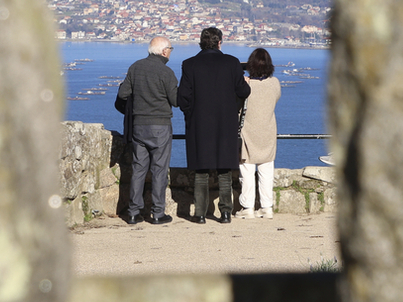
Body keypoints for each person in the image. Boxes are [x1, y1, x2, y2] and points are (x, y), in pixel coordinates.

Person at [177, 27, 249, 224]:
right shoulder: (232, 63)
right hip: (226, 123)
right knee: (225, 169)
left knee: (201, 169)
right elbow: (244, 91)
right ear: (219, 43)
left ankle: (200, 213)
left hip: (199, 124)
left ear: (201, 42)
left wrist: (190, 113)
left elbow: (183, 96)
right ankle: (225, 212)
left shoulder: (189, 64)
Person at [114, 36, 177, 225]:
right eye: (170, 49)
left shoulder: (135, 67)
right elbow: (175, 100)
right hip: (160, 126)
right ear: (164, 51)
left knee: (138, 169)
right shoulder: (166, 73)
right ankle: (157, 213)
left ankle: (133, 212)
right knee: (159, 170)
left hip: (138, 126)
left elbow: (123, 94)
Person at [237, 48, 280, 219]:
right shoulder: (275, 83)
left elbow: (238, 101)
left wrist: (243, 80)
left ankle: (247, 207)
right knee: (266, 170)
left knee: (246, 170)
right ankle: (266, 206)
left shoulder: (246, 86)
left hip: (248, 131)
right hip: (268, 131)